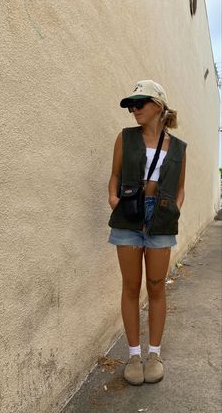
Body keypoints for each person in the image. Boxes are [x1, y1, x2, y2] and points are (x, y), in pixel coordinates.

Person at [107, 79, 187, 385]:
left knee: (156, 285)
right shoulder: (125, 138)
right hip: (128, 216)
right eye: (131, 105)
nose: (134, 110)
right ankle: (134, 355)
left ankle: (154, 353)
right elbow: (114, 176)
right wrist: (114, 199)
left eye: (139, 104)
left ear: (158, 106)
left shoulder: (178, 148)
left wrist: (174, 209)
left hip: (161, 218)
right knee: (131, 285)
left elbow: (179, 188)